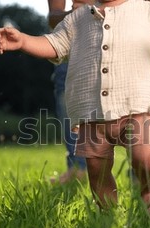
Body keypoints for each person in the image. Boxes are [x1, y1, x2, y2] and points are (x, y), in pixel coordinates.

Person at [0, 0, 150, 213]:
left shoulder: (145, 10)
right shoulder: (76, 18)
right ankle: (107, 214)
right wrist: (23, 41)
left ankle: (149, 192)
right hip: (91, 114)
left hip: (135, 107)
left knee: (144, 159)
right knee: (97, 173)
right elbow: (53, 44)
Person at [47, 0, 87, 184]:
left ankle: (141, 172)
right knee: (65, 84)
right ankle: (78, 168)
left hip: (125, 40)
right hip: (74, 41)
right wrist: (74, 13)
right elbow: (54, 17)